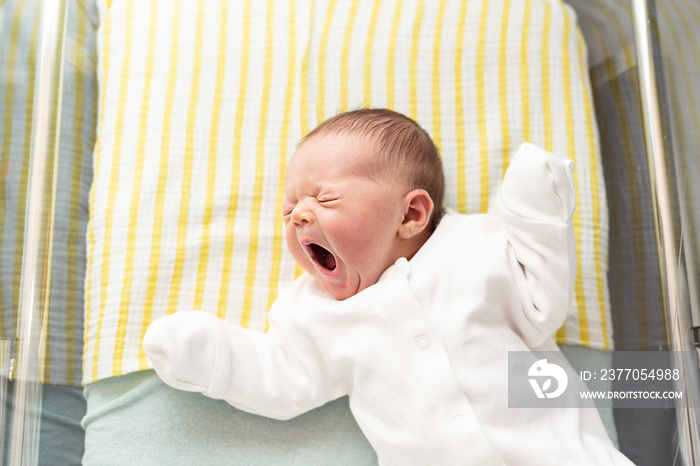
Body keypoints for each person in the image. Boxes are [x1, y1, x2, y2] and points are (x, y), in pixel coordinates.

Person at [143, 109, 634, 465]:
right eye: (289, 209)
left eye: (326, 197)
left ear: (411, 214)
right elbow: (286, 376)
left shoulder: (474, 245)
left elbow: (542, 305)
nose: (298, 214)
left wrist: (532, 212)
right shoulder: (311, 310)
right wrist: (215, 355)